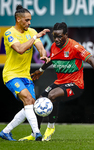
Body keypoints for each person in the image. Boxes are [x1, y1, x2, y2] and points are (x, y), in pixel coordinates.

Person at [19, 22, 94, 141]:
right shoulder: (54, 46)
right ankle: (35, 133)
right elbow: (52, 59)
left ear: (66, 35)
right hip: (60, 82)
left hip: (75, 83)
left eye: (60, 36)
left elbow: (92, 60)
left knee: (52, 95)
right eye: (55, 36)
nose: (56, 39)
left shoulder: (75, 47)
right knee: (39, 101)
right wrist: (41, 70)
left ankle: (50, 127)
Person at [0, 5, 50, 141]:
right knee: (28, 99)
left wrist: (43, 55)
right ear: (18, 19)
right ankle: (37, 133)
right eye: (27, 20)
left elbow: (40, 47)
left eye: (30, 20)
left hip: (25, 75)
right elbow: (20, 49)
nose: (29, 23)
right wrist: (34, 38)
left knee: (31, 104)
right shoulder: (9, 33)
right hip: (11, 74)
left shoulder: (31, 31)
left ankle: (5, 131)